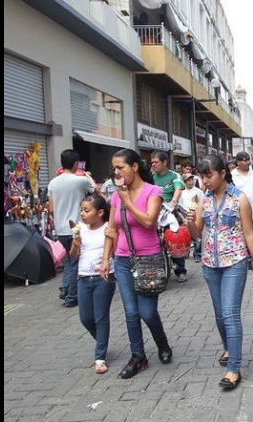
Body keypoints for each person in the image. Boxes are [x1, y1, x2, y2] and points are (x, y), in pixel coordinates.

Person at [185, 155, 253, 390]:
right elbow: (197, 234)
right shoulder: (203, 201)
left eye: (208, 175)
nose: (205, 180)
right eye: (202, 176)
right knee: (219, 314)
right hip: (210, 264)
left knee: (230, 313)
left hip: (235, 262)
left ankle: (234, 369)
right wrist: (189, 222)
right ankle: (228, 348)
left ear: (222, 174)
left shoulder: (240, 199)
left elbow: (249, 233)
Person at [101, 148, 173, 379]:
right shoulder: (115, 196)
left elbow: (149, 222)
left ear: (134, 167)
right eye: (114, 169)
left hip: (148, 258)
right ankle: (138, 356)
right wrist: (105, 259)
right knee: (131, 312)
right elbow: (111, 230)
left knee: (147, 312)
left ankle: (162, 343)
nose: (117, 172)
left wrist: (127, 201)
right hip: (122, 260)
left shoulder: (153, 191)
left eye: (120, 167)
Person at [69, 194, 116, 374]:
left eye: (87, 210)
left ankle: (100, 358)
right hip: (83, 278)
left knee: (100, 317)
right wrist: (75, 244)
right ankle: (102, 342)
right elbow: (72, 257)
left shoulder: (108, 228)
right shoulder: (79, 229)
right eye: (82, 210)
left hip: (104, 278)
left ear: (100, 212)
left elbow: (115, 250)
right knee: (85, 318)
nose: (82, 214)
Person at [48, 149, 96, 308]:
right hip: (76, 228)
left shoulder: (52, 183)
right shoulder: (79, 181)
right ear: (76, 163)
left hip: (61, 229)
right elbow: (95, 190)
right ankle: (71, 297)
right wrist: (88, 176)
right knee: (76, 262)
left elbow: (51, 208)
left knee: (70, 259)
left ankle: (65, 287)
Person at [151, 150, 188, 282]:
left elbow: (178, 189)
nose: (153, 165)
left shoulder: (174, 176)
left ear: (165, 162)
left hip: (170, 211)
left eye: (156, 162)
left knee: (176, 236)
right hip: (153, 212)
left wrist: (173, 203)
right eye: (152, 162)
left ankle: (180, 270)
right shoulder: (151, 177)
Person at [231, 152, 253, 249]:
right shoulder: (232, 175)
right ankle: (247, 258)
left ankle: (252, 258)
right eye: (245, 160)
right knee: (242, 237)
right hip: (240, 213)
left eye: (248, 159)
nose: (248, 162)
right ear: (238, 162)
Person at [178, 173, 205, 263]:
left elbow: (202, 202)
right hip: (184, 214)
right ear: (184, 182)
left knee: (197, 233)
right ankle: (186, 251)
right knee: (186, 234)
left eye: (192, 180)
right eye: (189, 180)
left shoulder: (198, 191)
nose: (191, 182)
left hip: (195, 214)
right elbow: (179, 204)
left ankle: (197, 254)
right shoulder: (181, 192)